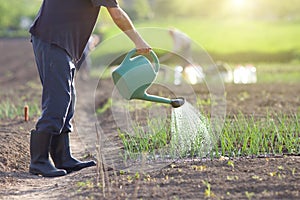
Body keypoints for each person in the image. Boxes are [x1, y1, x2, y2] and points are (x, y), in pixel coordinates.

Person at [29, 0, 151, 177]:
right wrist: (139, 41)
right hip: (52, 40)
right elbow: (116, 14)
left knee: (68, 100)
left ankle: (63, 157)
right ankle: (39, 161)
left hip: (59, 42)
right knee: (58, 100)